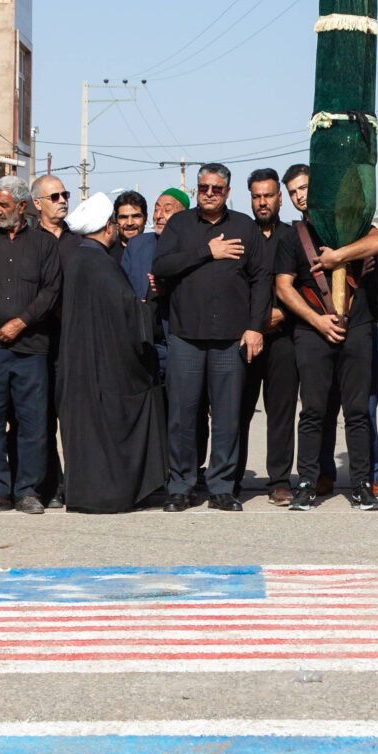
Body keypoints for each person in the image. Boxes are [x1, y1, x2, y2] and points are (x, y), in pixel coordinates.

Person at [152, 163, 268, 511]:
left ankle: (221, 487)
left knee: (228, 418)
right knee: (182, 416)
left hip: (230, 340)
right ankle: (181, 486)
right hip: (186, 337)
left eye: (217, 188)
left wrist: (255, 327)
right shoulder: (180, 225)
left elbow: (261, 279)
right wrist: (208, 251)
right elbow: (162, 267)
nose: (210, 193)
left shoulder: (244, 227)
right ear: (196, 190)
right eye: (204, 187)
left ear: (228, 192)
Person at [278, 182, 378, 512]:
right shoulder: (293, 235)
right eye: (296, 191)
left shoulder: (352, 224)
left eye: (312, 188)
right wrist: (317, 321)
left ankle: (360, 486)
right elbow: (283, 287)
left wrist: (339, 255)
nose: (307, 196)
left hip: (358, 327)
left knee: (357, 413)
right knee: (312, 411)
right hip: (313, 331)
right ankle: (307, 485)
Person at [58, 191, 168, 513]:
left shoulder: (81, 258)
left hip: (85, 367)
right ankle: (119, 492)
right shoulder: (99, 263)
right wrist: (150, 307)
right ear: (109, 227)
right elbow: (127, 314)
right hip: (107, 370)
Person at [0, 176, 64, 513]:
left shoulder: (44, 244)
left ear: (22, 207)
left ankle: (28, 490)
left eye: (2, 205)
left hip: (31, 350)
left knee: (33, 423)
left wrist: (21, 321)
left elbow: (51, 291)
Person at [235, 168, 302, 505]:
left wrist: (283, 313)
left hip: (283, 338)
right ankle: (231, 476)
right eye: (256, 196)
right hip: (246, 337)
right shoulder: (239, 233)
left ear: (279, 198)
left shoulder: (293, 236)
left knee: (281, 411)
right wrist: (255, 319)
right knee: (237, 409)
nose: (263, 202)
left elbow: (303, 286)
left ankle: (279, 480)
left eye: (268, 195)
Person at [30, 173, 74, 505]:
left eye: (64, 195)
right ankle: (48, 484)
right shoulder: (28, 243)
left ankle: (74, 483)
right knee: (40, 418)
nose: (62, 201)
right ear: (37, 204)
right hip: (37, 343)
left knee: (73, 416)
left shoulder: (80, 241)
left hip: (74, 345)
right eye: (54, 197)